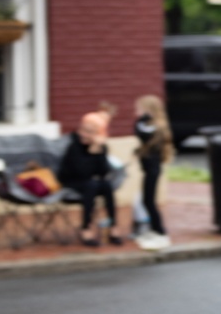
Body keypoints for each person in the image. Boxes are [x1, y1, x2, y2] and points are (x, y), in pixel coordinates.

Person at [57, 112, 123, 247]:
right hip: (71, 180)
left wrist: (98, 152)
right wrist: (91, 153)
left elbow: (104, 172)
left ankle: (113, 226)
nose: (84, 135)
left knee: (106, 185)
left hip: (89, 182)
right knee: (91, 185)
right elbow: (81, 172)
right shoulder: (74, 146)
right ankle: (85, 228)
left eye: (90, 132)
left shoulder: (100, 147)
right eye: (83, 130)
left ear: (98, 134)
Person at [133, 95, 173, 250]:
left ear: (148, 110)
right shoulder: (150, 126)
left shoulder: (156, 128)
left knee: (148, 202)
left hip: (152, 170)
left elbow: (140, 131)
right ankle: (155, 230)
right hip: (149, 170)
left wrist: (141, 118)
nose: (137, 113)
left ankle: (161, 232)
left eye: (139, 110)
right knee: (146, 201)